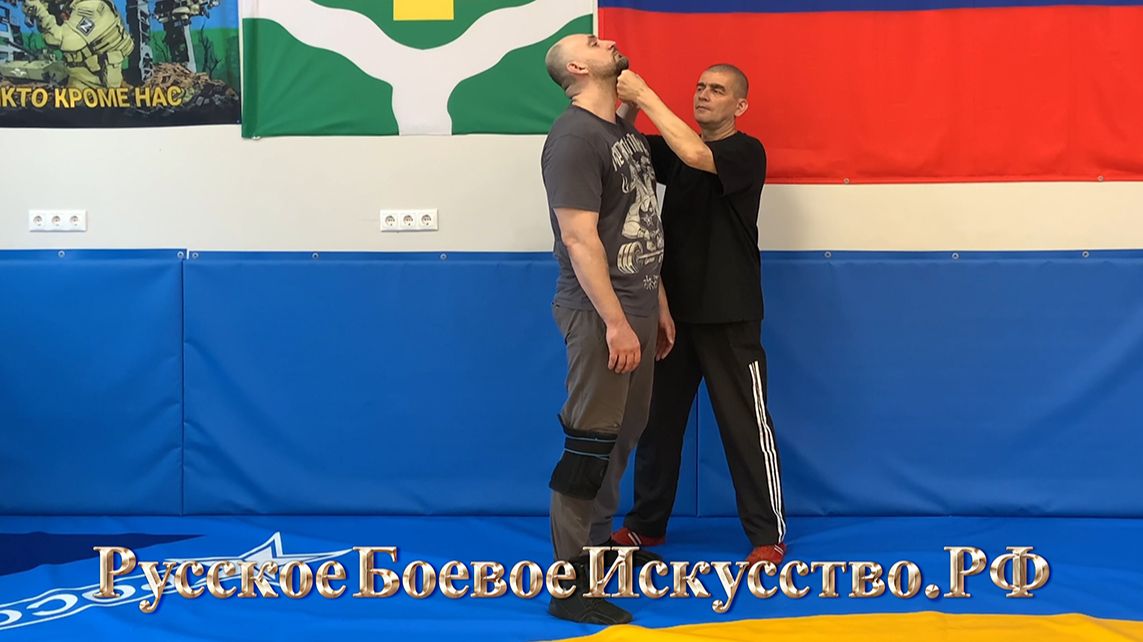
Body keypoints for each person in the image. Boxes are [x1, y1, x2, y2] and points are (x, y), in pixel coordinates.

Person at [611, 64, 788, 567]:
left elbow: (695, 154)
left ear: (740, 106)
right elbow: (621, 144)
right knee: (657, 423)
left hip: (730, 314)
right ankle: (647, 523)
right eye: (700, 86)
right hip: (673, 316)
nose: (705, 94)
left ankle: (768, 532)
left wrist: (645, 94)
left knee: (746, 425)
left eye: (718, 90)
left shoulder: (744, 152)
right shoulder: (676, 147)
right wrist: (627, 104)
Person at [540, 32, 669, 625]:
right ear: (577, 67)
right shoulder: (573, 137)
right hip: (600, 314)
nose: (609, 41)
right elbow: (579, 237)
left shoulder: (621, 132)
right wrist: (615, 322)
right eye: (595, 42)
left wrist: (658, 305)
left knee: (622, 438)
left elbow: (639, 221)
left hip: (635, 308)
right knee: (590, 444)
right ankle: (569, 585)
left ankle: (595, 552)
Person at [22, 0, 133, 89]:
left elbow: (63, 41)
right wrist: (44, 7)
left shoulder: (92, 7)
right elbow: (51, 36)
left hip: (96, 79)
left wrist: (40, 12)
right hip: (77, 71)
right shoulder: (72, 5)